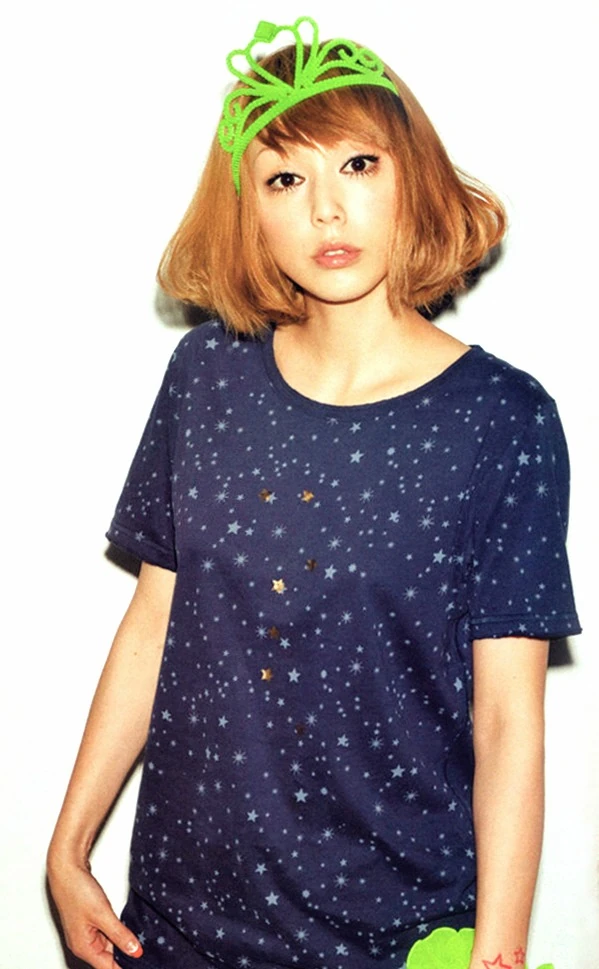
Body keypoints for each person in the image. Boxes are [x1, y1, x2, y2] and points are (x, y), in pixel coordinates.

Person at [47, 16, 581, 969]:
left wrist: (498, 951)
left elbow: (508, 721)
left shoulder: (502, 418)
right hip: (175, 924)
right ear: (248, 211)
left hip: (391, 935)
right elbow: (153, 619)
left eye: (358, 165)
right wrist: (68, 847)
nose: (326, 210)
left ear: (411, 176)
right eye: (285, 180)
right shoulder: (205, 375)